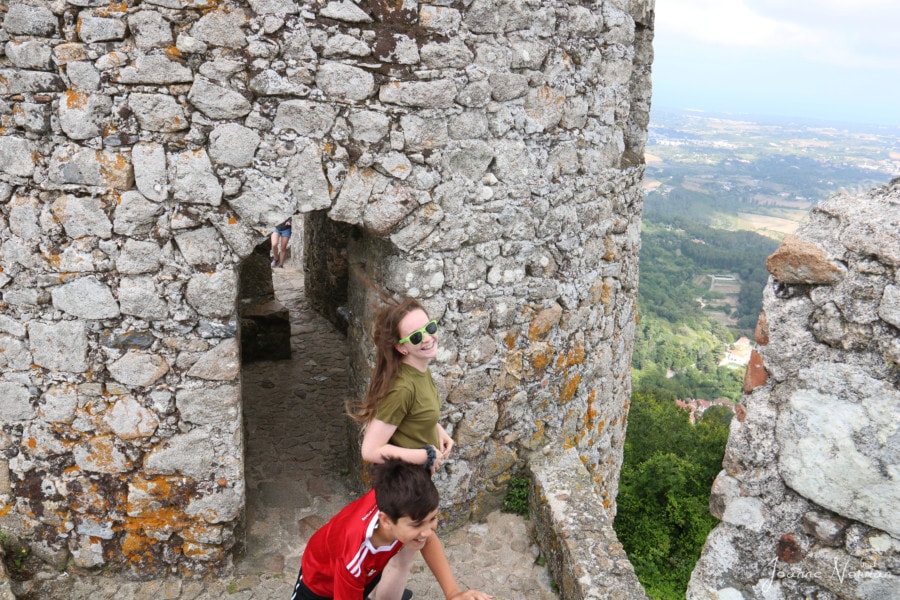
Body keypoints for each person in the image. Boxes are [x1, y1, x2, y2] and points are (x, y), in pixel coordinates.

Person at [348, 298, 454, 600]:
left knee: (402, 553)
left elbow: (420, 414)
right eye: (416, 336)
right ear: (400, 347)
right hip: (402, 481)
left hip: (415, 475)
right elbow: (370, 449)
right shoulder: (402, 388)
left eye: (430, 328)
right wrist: (422, 456)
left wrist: (439, 432)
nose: (429, 338)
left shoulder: (421, 367)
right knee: (403, 558)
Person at [289, 459, 492, 600]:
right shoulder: (353, 559)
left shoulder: (401, 505)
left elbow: (428, 540)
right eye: (417, 525)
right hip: (320, 584)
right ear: (386, 521)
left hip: (365, 576)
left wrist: (453, 593)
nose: (428, 531)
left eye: (433, 519)